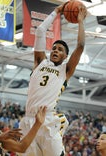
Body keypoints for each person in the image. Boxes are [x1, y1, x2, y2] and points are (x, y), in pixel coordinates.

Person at [19, 3, 87, 156]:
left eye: (60, 50)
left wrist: (81, 21)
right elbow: (41, 30)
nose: (55, 50)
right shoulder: (40, 62)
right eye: (54, 48)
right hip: (29, 120)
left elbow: (81, 46)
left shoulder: (65, 70)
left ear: (65, 56)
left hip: (48, 119)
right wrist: (56, 11)